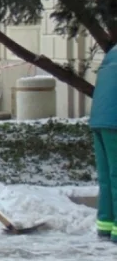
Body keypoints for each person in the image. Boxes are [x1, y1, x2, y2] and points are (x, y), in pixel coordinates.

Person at [89, 47, 117, 243]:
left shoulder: (113, 52)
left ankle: (105, 225)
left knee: (107, 177)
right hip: (115, 121)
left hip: (99, 120)